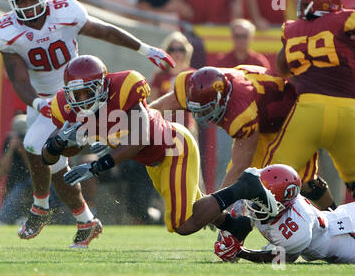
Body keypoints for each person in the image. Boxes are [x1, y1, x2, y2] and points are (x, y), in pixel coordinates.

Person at [0, 0, 175, 247]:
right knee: (51, 163)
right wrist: (38, 103)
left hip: (75, 95)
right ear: (11, 4)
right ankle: (86, 221)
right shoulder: (4, 31)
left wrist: (145, 49)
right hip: (41, 101)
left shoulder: (65, 10)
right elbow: (19, 80)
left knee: (34, 144)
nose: (29, 7)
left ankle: (40, 208)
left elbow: (105, 31)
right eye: (22, 2)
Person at [41, 55, 279, 243]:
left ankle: (245, 187)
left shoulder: (125, 86)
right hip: (153, 161)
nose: (82, 99)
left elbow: (140, 138)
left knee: (182, 224)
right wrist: (58, 144)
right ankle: (235, 226)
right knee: (195, 207)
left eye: (88, 91)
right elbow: (49, 156)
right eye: (76, 93)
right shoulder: (65, 107)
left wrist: (96, 166)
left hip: (174, 148)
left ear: (103, 86)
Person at [149, 65, 338, 210]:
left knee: (286, 182)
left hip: (288, 117)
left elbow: (241, 166)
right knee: (246, 185)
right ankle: (235, 230)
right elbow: (160, 106)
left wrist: (215, 205)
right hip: (262, 118)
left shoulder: (241, 112)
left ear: (222, 100)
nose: (201, 115)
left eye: (207, 109)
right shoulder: (194, 83)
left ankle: (331, 219)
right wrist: (142, 118)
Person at [265, 0, 355, 200]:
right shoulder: (345, 19)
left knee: (270, 177)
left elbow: (282, 67)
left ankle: (238, 225)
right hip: (348, 112)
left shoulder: (293, 28)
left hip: (308, 110)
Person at [214, 164, 355, 264]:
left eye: (264, 197)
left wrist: (240, 252)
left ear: (283, 202)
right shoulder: (263, 200)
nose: (256, 201)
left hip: (348, 239)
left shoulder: (298, 222)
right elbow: (231, 217)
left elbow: (282, 258)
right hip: (340, 217)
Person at [0, 114, 33, 225]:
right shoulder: (9, 141)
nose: (22, 137)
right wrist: (11, 149)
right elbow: (2, 171)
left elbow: (34, 172)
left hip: (32, 186)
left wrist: (24, 151)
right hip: (13, 185)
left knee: (25, 184)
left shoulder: (34, 142)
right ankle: (4, 218)